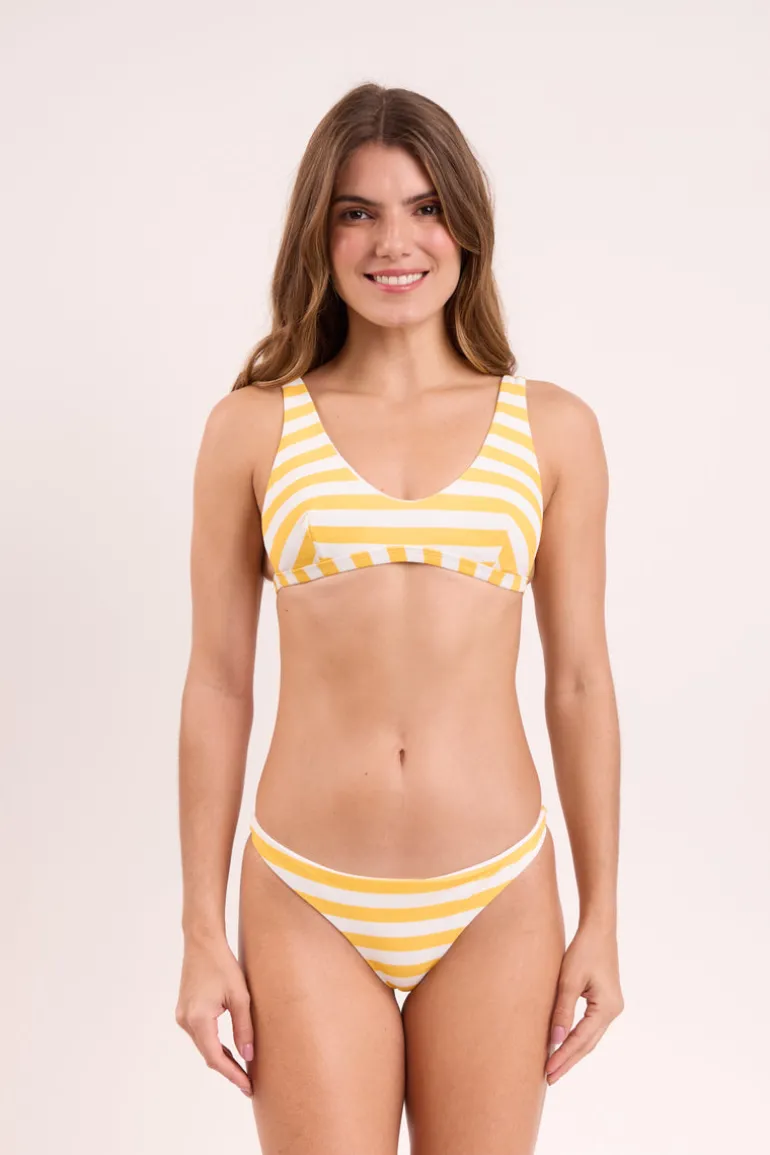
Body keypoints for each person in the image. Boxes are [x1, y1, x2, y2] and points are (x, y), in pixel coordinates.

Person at [175, 81, 623, 1154]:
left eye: (424, 208)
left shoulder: (552, 429)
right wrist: (199, 927)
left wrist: (602, 915)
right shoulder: (252, 429)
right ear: (318, 233)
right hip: (305, 893)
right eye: (357, 212)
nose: (394, 242)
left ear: (465, 224)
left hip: (496, 894)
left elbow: (577, 682)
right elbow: (218, 683)